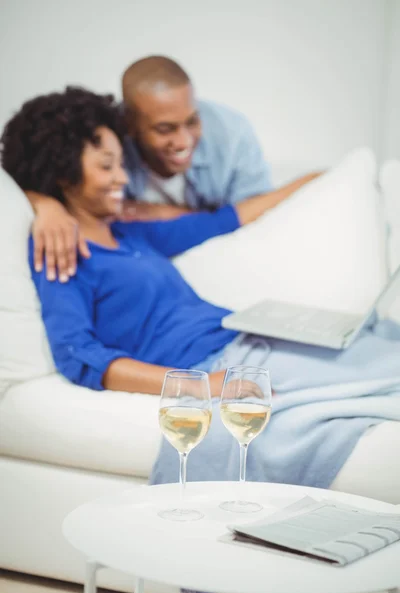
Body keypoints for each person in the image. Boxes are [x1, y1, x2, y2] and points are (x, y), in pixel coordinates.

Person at [2, 88, 400, 494]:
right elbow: (77, 356)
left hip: (248, 337)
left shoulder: (131, 233)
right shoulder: (61, 253)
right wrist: (196, 384)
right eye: (107, 167)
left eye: (122, 163)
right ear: (63, 175)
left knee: (381, 353)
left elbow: (226, 220)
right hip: (216, 360)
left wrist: (318, 180)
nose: (123, 178)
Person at [23, 55, 320, 283]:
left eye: (192, 121)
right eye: (165, 129)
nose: (183, 140)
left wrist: (156, 212)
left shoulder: (231, 134)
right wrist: (48, 206)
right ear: (129, 125)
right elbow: (40, 173)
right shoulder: (107, 142)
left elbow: (248, 221)